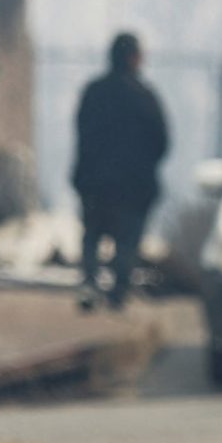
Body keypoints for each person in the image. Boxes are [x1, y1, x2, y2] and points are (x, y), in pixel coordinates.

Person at [70, 31, 170, 311]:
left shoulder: (94, 93)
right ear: (133, 58)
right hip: (133, 188)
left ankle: (89, 286)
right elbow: (161, 142)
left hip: (95, 184)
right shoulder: (145, 98)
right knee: (127, 242)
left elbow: (81, 135)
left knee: (92, 236)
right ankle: (117, 294)